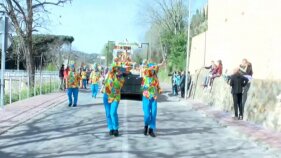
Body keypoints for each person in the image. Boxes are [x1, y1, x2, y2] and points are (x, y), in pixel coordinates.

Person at [141, 59, 165, 137]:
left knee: (154, 114)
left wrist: (160, 90)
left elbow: (158, 87)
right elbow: (141, 88)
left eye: (154, 70)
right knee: (147, 115)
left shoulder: (156, 79)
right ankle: (146, 125)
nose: (153, 72)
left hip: (154, 98)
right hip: (146, 97)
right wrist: (145, 88)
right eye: (151, 70)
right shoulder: (145, 77)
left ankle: (151, 129)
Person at [102, 63, 126, 137]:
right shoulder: (108, 74)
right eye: (113, 68)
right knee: (108, 114)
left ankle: (116, 128)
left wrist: (119, 76)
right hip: (106, 95)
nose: (115, 69)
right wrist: (103, 81)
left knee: (113, 113)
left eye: (117, 68)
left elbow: (120, 85)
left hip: (115, 97)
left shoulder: (121, 77)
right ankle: (111, 128)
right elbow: (104, 82)